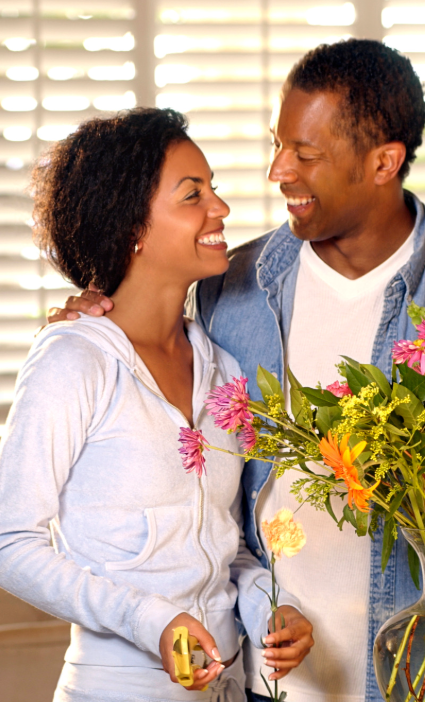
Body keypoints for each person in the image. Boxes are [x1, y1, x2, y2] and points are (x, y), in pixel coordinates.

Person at [47, 40, 425, 702]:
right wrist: (95, 309)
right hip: (255, 685)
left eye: (305, 153)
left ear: (383, 162)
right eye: (277, 144)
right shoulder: (233, 289)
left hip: (420, 683)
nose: (278, 170)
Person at [0, 107, 313, 702]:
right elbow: (9, 542)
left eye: (213, 189)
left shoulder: (222, 367)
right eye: (192, 194)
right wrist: (153, 622)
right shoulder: (74, 360)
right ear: (130, 227)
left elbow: (223, 543)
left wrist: (271, 608)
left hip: (231, 688)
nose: (220, 209)